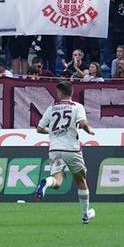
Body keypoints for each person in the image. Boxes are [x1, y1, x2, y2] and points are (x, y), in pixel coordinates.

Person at [33, 81, 95, 223]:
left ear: (60, 93)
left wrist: (54, 132)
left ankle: (45, 183)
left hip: (54, 149)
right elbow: (83, 123)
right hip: (71, 148)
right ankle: (85, 215)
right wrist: (89, 130)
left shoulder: (51, 108)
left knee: (58, 181)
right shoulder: (77, 107)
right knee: (80, 180)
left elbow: (39, 128)